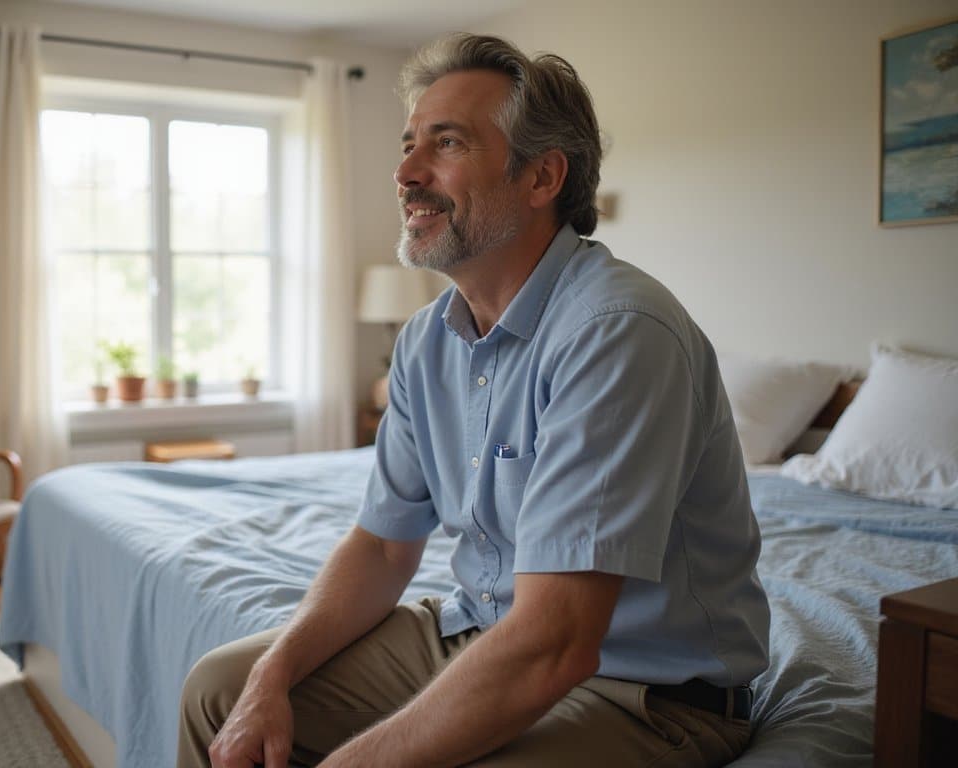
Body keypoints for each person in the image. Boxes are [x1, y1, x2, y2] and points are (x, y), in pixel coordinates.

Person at [178, 32, 770, 768]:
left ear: (541, 176)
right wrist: (272, 674)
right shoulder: (427, 340)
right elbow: (385, 543)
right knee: (219, 693)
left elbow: (557, 642)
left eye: (446, 144)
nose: (404, 172)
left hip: (641, 694)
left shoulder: (619, 332)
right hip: (480, 631)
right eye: (408, 144)